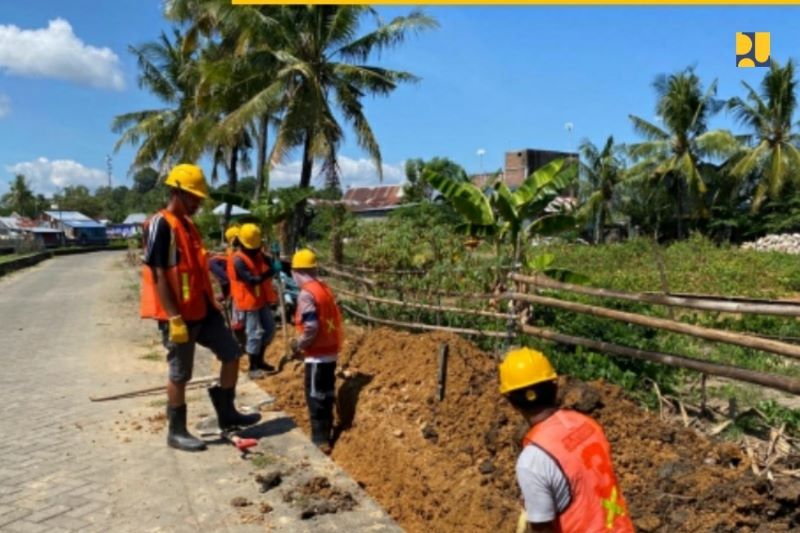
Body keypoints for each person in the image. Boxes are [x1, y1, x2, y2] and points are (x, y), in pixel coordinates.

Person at [140, 164, 261, 452]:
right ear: (176, 191)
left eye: (199, 198)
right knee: (180, 373)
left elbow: (195, 268)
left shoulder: (190, 226)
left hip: (203, 308)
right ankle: (177, 430)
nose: (198, 203)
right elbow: (158, 273)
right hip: (179, 314)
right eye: (193, 197)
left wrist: (212, 297)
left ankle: (227, 410)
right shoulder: (161, 224)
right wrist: (174, 318)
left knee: (231, 353)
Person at [498, 348, 634, 533]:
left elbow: (543, 529)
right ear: (554, 388)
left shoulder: (532, 460)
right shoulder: (588, 425)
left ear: (511, 402)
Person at [288, 248, 343, 454]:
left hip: (317, 355)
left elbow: (311, 327)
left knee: (316, 397)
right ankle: (326, 434)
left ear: (297, 271)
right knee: (327, 394)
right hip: (330, 351)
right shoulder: (323, 288)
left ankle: (320, 439)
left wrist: (299, 344)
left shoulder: (306, 294)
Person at [228, 223, 279, 379]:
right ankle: (253, 367)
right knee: (255, 333)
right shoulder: (238, 260)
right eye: (253, 247)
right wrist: (271, 271)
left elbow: (267, 262)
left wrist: (274, 260)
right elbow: (252, 280)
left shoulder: (256, 253)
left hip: (260, 299)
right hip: (248, 302)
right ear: (242, 243)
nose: (255, 249)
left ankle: (260, 360)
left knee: (270, 329)